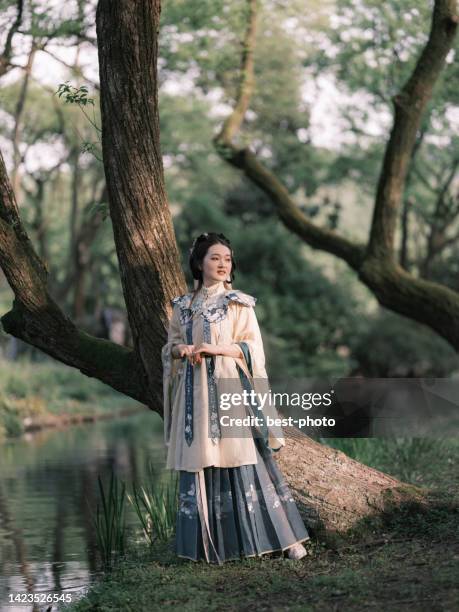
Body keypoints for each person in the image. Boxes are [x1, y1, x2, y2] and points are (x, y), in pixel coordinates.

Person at [161, 232, 310, 563]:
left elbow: (253, 348)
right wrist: (180, 350)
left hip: (229, 389)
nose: (222, 264)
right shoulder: (182, 307)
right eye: (215, 258)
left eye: (227, 259)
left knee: (242, 455)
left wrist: (215, 348)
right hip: (194, 394)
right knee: (203, 455)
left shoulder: (238, 303)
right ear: (199, 263)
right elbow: (169, 345)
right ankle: (210, 546)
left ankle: (282, 539)